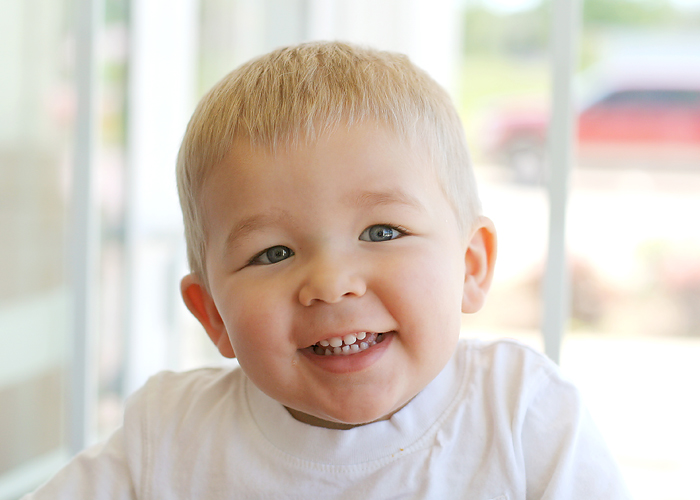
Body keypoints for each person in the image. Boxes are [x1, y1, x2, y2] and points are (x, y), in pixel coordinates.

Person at [23, 41, 631, 499]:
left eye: (382, 232)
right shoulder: (168, 438)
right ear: (213, 316)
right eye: (273, 253)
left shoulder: (522, 413)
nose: (332, 283)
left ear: (470, 266)